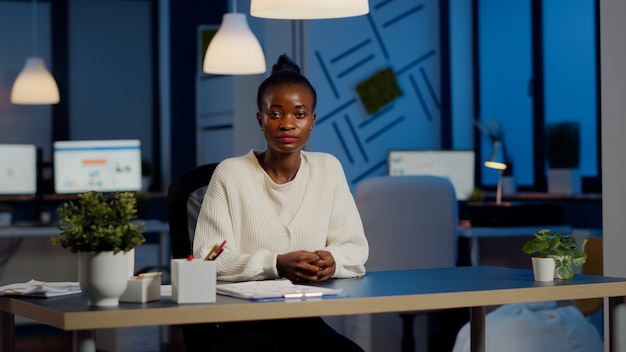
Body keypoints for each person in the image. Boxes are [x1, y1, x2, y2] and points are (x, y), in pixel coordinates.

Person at [193, 54, 369, 352]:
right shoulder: (231, 173)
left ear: (312, 120)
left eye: (299, 114)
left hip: (307, 324)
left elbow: (355, 249)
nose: (287, 124)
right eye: (275, 114)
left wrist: (332, 260)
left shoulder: (329, 169)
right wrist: (276, 263)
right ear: (260, 119)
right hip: (242, 326)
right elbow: (207, 260)